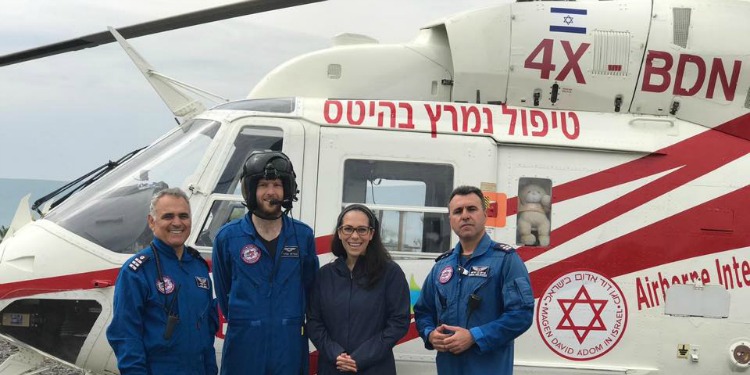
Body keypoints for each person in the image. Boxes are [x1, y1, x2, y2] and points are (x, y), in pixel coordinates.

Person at [212, 150, 319, 375]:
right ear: (251, 190)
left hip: (288, 346)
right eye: (262, 185)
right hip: (244, 346)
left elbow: (311, 290)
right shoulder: (228, 237)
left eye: (277, 185)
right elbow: (224, 294)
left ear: (287, 189)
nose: (271, 192)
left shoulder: (303, 236)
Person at [414, 185, 534, 375]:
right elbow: (423, 311)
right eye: (458, 211)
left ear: (484, 215)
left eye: (472, 209)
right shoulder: (441, 267)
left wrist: (474, 336)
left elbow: (521, 314)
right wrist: (430, 334)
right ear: (451, 220)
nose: (465, 216)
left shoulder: (506, 260)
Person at [107, 187, 218, 375]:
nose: (177, 223)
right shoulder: (137, 272)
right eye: (168, 216)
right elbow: (125, 335)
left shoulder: (198, 267)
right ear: (152, 221)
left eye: (183, 216)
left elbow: (206, 333)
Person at [307, 204, 410, 375]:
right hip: (333, 367)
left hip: (375, 369)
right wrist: (336, 354)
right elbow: (313, 321)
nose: (355, 236)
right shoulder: (324, 275)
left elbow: (399, 322)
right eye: (348, 229)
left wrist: (361, 358)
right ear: (339, 233)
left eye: (362, 229)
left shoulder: (390, 273)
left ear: (371, 234)